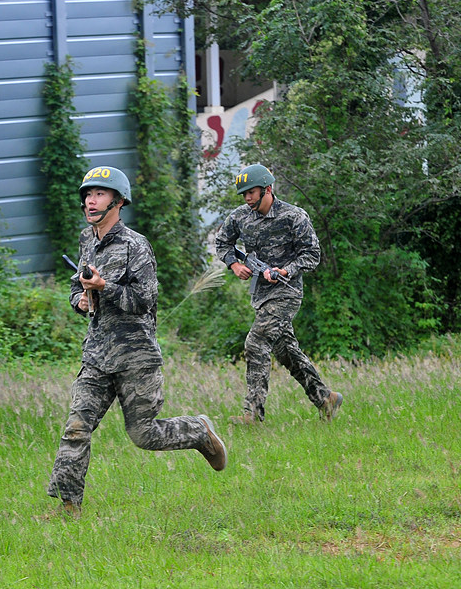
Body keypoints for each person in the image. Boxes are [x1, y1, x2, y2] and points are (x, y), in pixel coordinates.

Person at [47, 166, 227, 516]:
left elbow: (144, 300)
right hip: (97, 356)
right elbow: (76, 285)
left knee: (144, 435)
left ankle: (198, 430)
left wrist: (105, 289)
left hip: (136, 356)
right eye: (87, 194)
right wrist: (81, 300)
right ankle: (69, 508)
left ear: (118, 200)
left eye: (99, 193)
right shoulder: (88, 240)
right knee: (76, 428)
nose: (90, 200)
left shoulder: (135, 245)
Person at [214, 164, 343, 425]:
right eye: (244, 194)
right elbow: (222, 242)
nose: (248, 198)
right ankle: (325, 398)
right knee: (286, 351)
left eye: (251, 192)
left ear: (268, 189)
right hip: (261, 294)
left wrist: (286, 269)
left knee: (256, 343)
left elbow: (312, 255)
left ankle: (252, 413)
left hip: (287, 292)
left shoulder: (293, 216)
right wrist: (235, 264)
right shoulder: (240, 216)